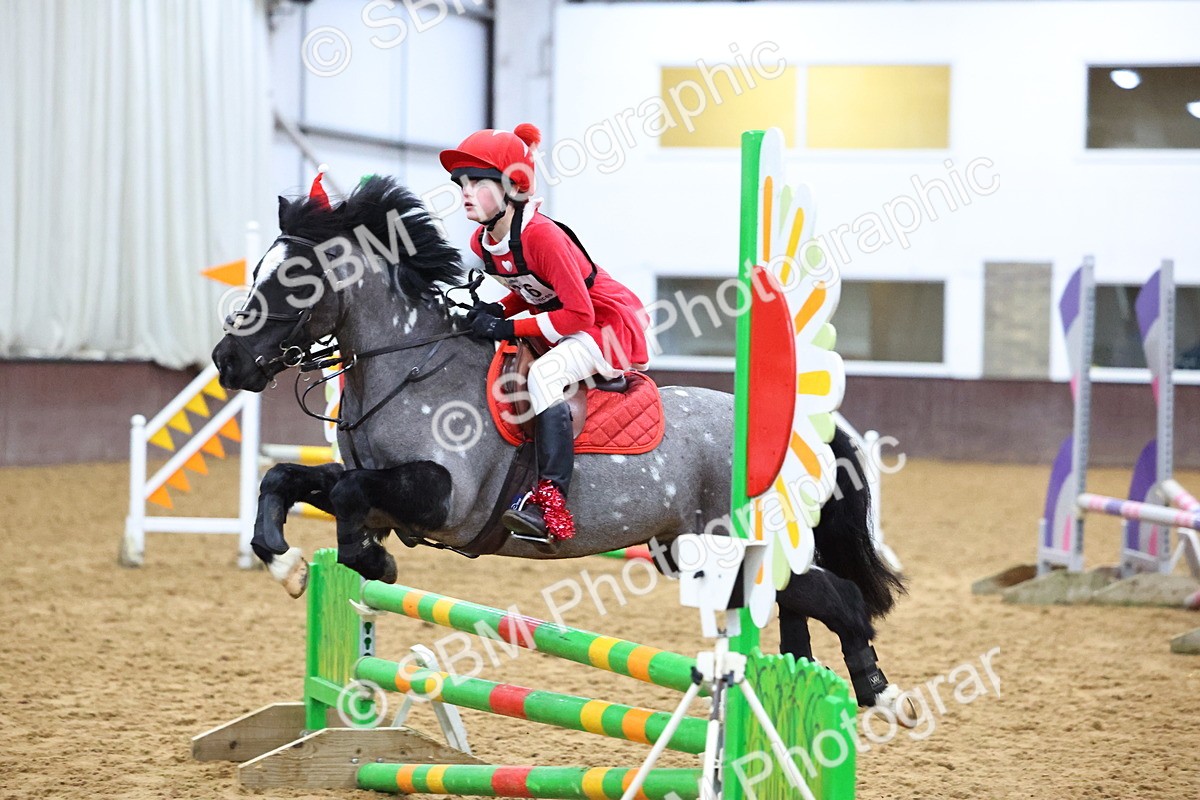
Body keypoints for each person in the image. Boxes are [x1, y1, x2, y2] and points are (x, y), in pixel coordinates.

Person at [439, 124, 649, 544]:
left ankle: (550, 503)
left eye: (477, 182)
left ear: (511, 187)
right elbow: (529, 294)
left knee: (544, 376)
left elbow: (577, 312)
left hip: (608, 326)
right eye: (461, 183)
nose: (465, 191)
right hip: (570, 323)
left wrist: (505, 325)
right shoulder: (483, 244)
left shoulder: (542, 235)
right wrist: (490, 311)